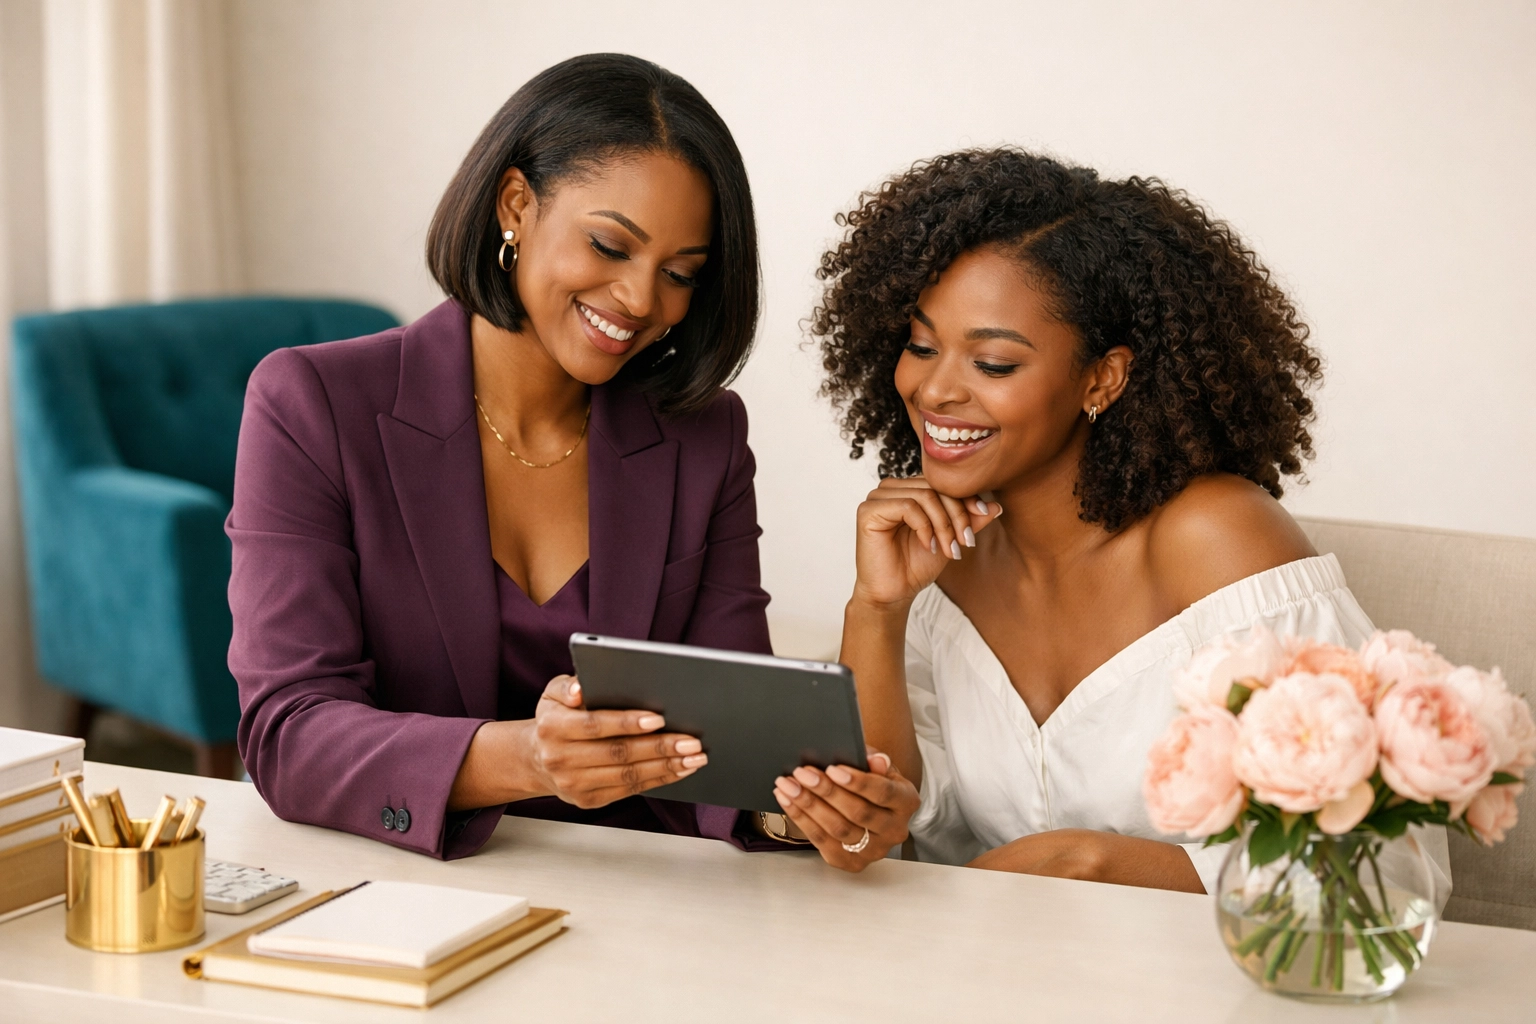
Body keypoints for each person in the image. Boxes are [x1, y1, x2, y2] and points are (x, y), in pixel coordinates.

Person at [778, 147, 1432, 893]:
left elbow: (1384, 869)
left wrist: (1089, 864)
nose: (934, 390)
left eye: (993, 364)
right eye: (921, 346)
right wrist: (877, 608)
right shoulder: (942, 555)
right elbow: (872, 839)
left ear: (1103, 377)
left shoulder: (1213, 539)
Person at [229, 53, 810, 858]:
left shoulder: (702, 437)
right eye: (609, 245)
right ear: (515, 206)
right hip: (402, 888)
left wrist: (794, 808)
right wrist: (526, 760)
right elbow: (289, 732)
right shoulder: (313, 403)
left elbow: (729, 743)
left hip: (639, 897)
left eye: (680, 274)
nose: (642, 300)